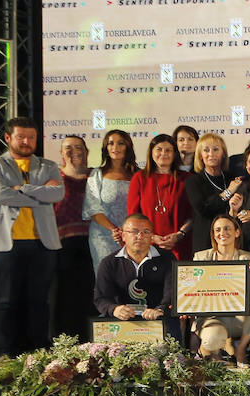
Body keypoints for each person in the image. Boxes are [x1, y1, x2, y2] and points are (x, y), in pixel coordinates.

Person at [0, 118, 63, 355]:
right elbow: (0, 196)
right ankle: (4, 352)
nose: (26, 142)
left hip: (42, 242)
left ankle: (37, 350)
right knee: (6, 300)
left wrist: (22, 189)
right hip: (7, 244)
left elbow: (57, 194)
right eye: (21, 137)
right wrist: (40, 194)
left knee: (39, 301)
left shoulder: (47, 165)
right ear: (8, 138)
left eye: (31, 137)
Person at [190, 214, 250, 367]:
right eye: (218, 230)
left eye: (227, 228)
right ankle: (210, 351)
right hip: (210, 318)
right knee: (213, 339)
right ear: (213, 234)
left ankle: (240, 349)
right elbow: (193, 292)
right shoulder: (201, 257)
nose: (222, 233)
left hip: (237, 318)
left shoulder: (248, 257)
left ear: (237, 232)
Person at [93, 214, 179, 341]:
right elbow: (101, 298)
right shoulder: (109, 263)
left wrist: (161, 309)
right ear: (123, 235)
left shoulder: (167, 258)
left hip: (158, 318)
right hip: (122, 321)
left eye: (146, 232)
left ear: (151, 236)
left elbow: (172, 293)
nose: (140, 236)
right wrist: (114, 309)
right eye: (134, 231)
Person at [52, 135, 93, 341]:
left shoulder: (96, 176)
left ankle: (91, 341)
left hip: (93, 243)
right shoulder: (53, 178)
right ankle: (64, 342)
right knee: (65, 295)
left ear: (87, 152)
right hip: (63, 244)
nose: (73, 151)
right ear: (61, 153)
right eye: (67, 147)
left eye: (78, 147)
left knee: (91, 293)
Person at [127, 134, 193, 260]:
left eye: (168, 150)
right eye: (159, 149)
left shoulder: (187, 179)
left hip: (180, 245)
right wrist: (151, 237)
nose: (164, 153)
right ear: (151, 152)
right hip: (146, 245)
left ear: (175, 154)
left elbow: (193, 215)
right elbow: (133, 216)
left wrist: (179, 235)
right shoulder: (139, 178)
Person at [84, 129, 138, 269]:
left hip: (134, 237)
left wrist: (127, 232)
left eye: (121, 143)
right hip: (103, 236)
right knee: (106, 281)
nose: (115, 148)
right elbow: (92, 207)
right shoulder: (97, 174)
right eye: (111, 143)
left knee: (133, 282)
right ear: (105, 148)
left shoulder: (138, 175)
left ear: (128, 146)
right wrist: (114, 230)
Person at [185, 132, 242, 253]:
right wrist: (228, 192)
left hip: (232, 241)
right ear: (200, 155)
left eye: (216, 149)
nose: (211, 154)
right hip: (205, 241)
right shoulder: (193, 181)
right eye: (206, 150)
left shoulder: (232, 179)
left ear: (223, 154)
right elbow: (204, 209)